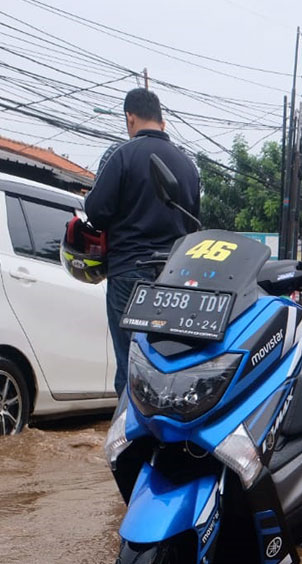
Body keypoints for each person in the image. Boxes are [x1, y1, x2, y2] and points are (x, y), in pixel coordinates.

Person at [84, 88, 200, 395]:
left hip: (129, 273)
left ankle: (129, 437)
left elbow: (96, 212)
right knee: (168, 362)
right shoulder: (189, 166)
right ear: (161, 121)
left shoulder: (122, 155)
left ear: (130, 117)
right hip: (175, 276)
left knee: (130, 366)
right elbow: (193, 225)